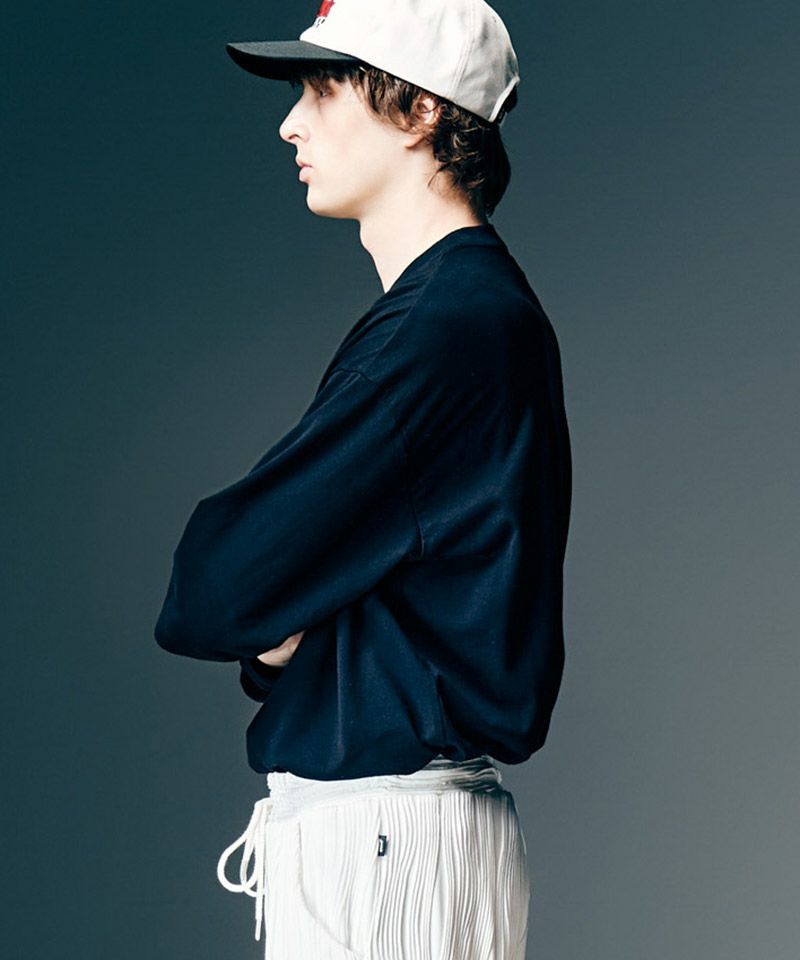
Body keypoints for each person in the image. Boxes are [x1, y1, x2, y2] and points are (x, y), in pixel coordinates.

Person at [154, 1, 571, 957]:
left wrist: (287, 620)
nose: (289, 124)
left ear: (421, 111)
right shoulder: (468, 312)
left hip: (385, 841)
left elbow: (213, 587)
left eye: (321, 89)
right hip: (409, 832)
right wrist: (282, 633)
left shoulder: (442, 328)